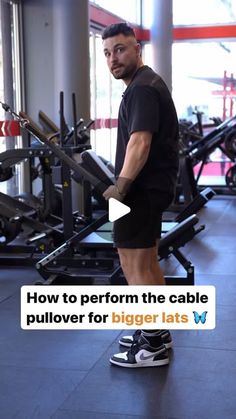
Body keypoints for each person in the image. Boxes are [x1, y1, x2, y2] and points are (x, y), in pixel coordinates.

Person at [101, 23, 179, 368]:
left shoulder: (142, 90)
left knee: (133, 265)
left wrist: (122, 185)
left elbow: (140, 141)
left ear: (137, 49)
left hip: (138, 191)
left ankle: (153, 347)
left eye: (119, 49)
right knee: (146, 263)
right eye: (106, 53)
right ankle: (157, 332)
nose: (112, 58)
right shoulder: (143, 84)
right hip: (146, 190)